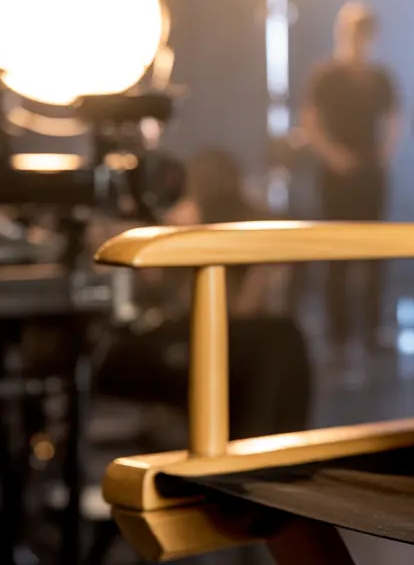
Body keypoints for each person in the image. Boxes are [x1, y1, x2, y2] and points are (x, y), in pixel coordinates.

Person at [95, 148, 311, 441]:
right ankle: (256, 461)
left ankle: (262, 456)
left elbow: (239, 310)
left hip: (183, 336)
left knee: (279, 341)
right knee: (277, 344)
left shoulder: (204, 239)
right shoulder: (132, 232)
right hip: (128, 344)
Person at [302, 1, 399, 370]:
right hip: (336, 176)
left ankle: (372, 332)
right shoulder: (326, 75)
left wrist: (383, 155)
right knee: (336, 257)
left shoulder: (380, 77)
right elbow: (311, 121)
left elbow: (393, 118)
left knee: (375, 255)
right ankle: (340, 336)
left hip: (370, 175)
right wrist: (334, 157)